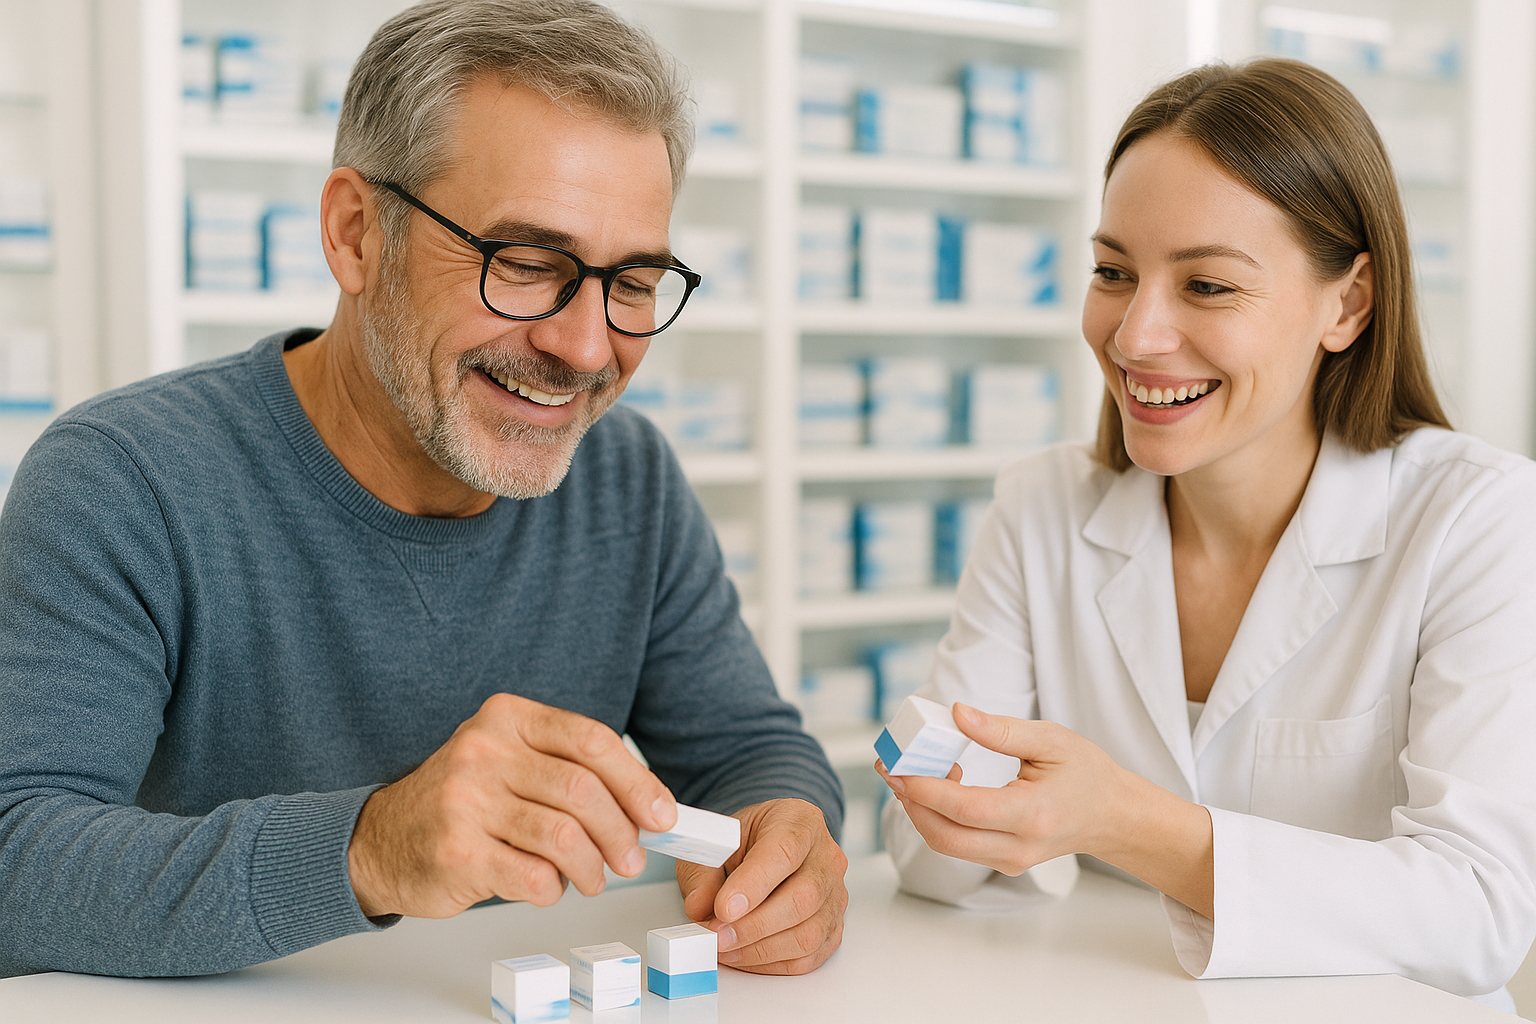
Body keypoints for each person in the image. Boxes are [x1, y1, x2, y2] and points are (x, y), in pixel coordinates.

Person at [0, 0, 847, 979]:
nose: (583, 347)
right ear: (357, 234)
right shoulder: (125, 480)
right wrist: (371, 847)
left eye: (633, 284)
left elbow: (748, 749)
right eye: (525, 264)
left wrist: (788, 830)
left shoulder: (629, 480)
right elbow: (17, 866)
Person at [879, 58, 1536, 1008]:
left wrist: (1123, 820)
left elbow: (1478, 913)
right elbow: (930, 864)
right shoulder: (1042, 508)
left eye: (1210, 287)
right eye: (1113, 272)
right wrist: (948, 791)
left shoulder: (1478, 521)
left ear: (1347, 304)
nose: (1136, 334)